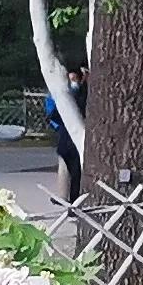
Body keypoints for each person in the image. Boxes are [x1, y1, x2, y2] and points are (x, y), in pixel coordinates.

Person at [47, 62, 87, 202]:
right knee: (74, 172)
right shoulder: (80, 95)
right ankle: (71, 200)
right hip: (72, 139)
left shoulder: (65, 94)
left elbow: (53, 114)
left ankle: (66, 198)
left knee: (68, 171)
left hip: (66, 140)